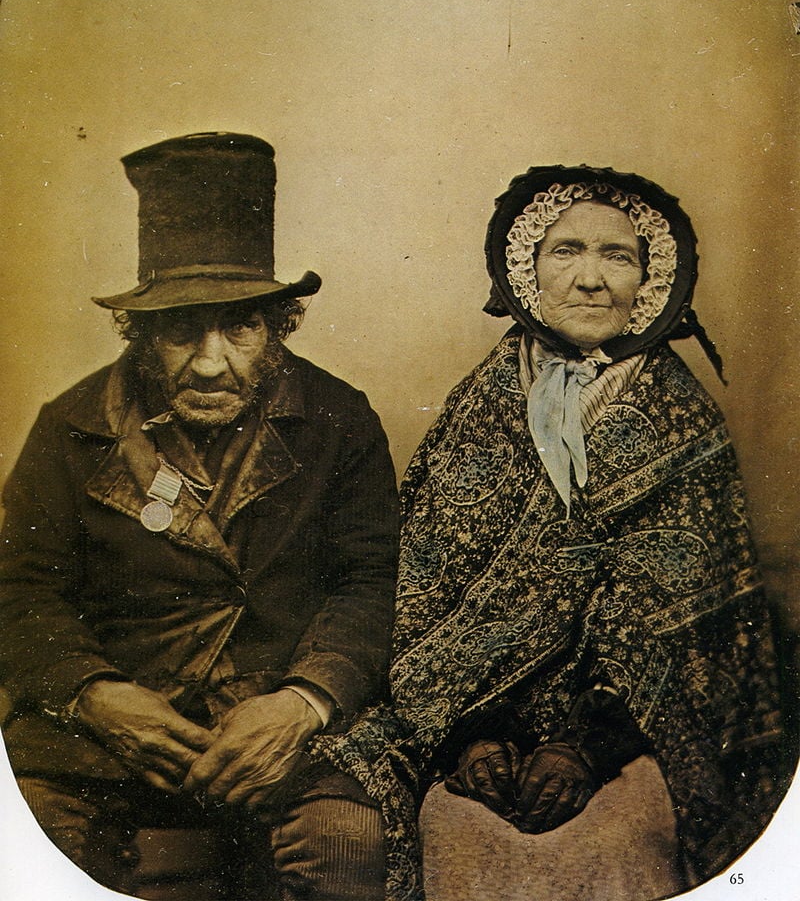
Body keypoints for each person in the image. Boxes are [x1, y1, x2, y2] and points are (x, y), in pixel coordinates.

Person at [317, 165, 790, 901]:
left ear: (651, 280)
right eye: (566, 251)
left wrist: (587, 747)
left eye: (617, 256)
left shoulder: (682, 417)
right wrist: (472, 736)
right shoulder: (479, 404)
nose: (591, 279)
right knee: (455, 830)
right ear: (526, 270)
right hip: (473, 725)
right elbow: (426, 591)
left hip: (633, 733)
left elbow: (693, 634)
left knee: (616, 840)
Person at [0, 132, 399, 900]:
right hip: (106, 744)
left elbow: (371, 581)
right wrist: (94, 694)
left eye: (239, 327)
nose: (211, 363)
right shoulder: (71, 426)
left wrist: (304, 702)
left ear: (277, 326)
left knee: (346, 845)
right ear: (143, 333)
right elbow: (19, 593)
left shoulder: (339, 420)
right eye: (183, 329)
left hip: (283, 735)